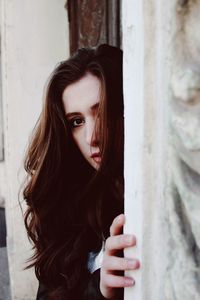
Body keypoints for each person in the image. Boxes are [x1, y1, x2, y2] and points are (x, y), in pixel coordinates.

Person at [23, 44, 140, 300]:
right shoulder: (65, 203)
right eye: (77, 121)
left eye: (103, 112)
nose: (92, 137)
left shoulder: (149, 199)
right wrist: (99, 290)